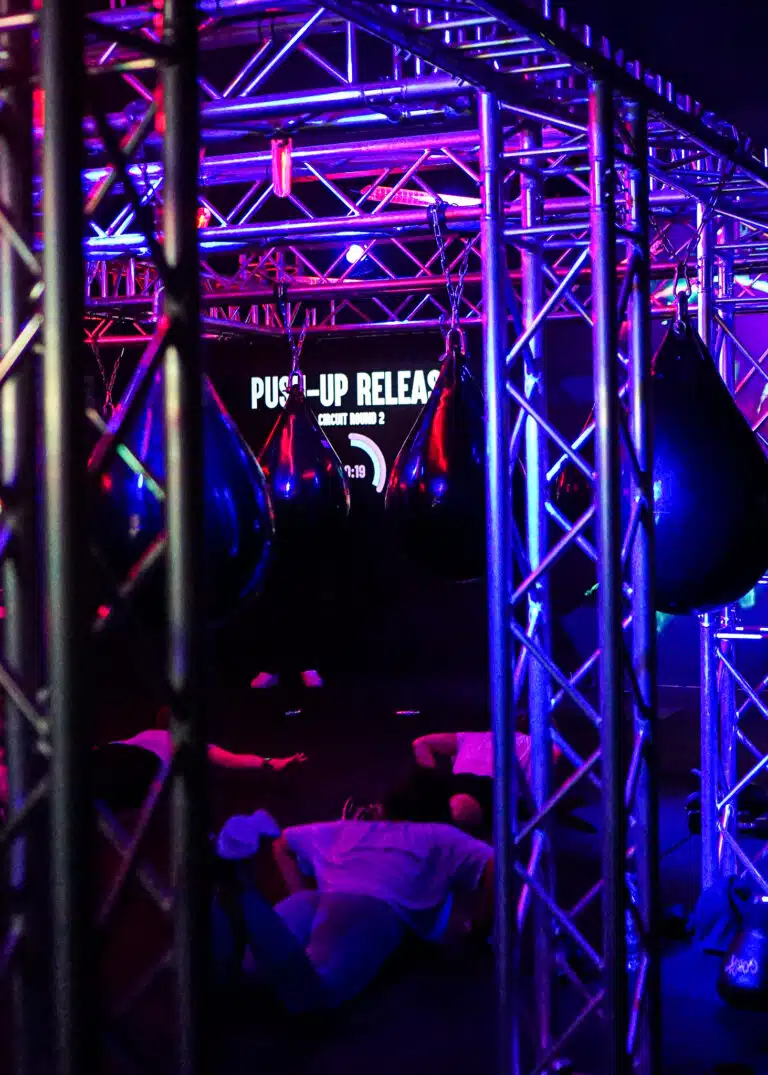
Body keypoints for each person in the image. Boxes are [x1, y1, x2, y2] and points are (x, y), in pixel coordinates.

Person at [212, 787, 494, 1013]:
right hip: (370, 907)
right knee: (314, 992)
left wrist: (298, 893)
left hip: (315, 898)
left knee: (247, 972)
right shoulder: (440, 834)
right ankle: (242, 890)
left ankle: (232, 885)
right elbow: (496, 863)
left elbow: (283, 841)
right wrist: (482, 928)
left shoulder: (348, 828)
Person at [91, 706, 307, 810]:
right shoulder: (149, 735)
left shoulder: (190, 745)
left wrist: (272, 762)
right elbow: (115, 746)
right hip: (124, 759)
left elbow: (233, 760)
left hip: (137, 765)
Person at [410, 730, 562, 831]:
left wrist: (432, 783)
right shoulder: (544, 746)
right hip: (493, 798)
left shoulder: (474, 737)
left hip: (469, 792)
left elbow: (420, 743)